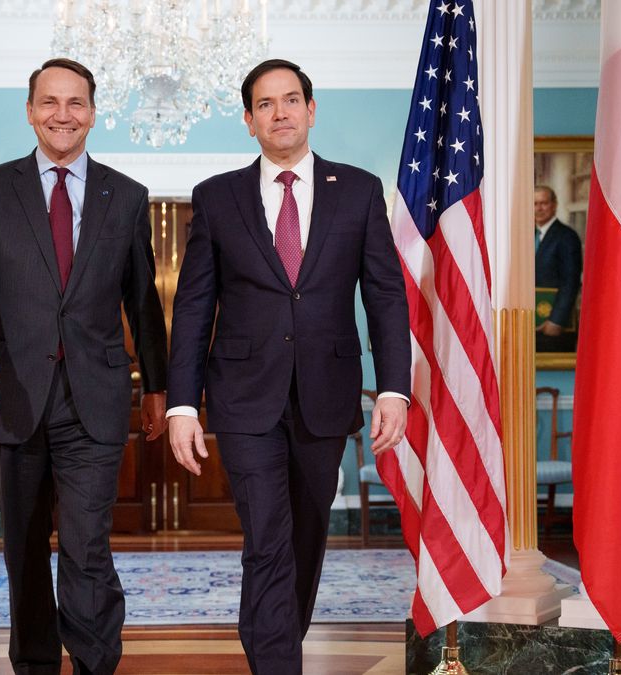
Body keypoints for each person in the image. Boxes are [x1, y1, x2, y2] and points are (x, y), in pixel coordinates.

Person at [165, 59, 411, 674]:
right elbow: (194, 306)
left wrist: (394, 390)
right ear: (249, 121)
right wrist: (182, 404)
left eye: (292, 99)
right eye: (266, 104)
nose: (281, 112)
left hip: (326, 398)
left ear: (311, 109)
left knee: (304, 539)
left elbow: (384, 295)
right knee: (268, 539)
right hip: (245, 399)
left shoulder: (356, 191)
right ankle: (278, 665)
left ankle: (276, 645)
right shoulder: (217, 197)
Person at [0, 58, 168, 675]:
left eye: (75, 103)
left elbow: (142, 299)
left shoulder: (124, 196)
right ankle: (36, 664)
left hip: (92, 398)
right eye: (50, 102)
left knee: (86, 544)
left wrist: (158, 386)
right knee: (23, 548)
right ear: (30, 111)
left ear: (93, 113)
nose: (62, 114)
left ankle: (96, 662)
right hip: (9, 395)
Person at [534, 185, 582, 351]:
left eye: (543, 203)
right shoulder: (526, 235)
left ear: (554, 205)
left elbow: (571, 281)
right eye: (534, 204)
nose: (538, 208)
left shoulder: (567, 237)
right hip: (529, 323)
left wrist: (556, 320)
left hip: (554, 327)